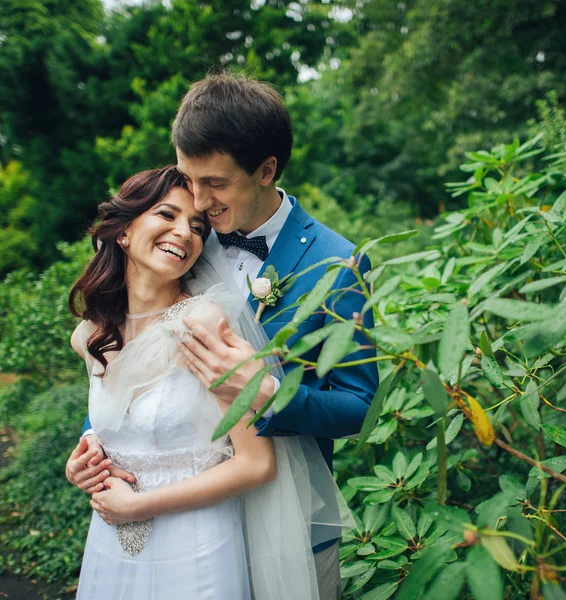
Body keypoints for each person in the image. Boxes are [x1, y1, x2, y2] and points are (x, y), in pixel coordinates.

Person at [67, 73, 379, 599]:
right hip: (180, 522)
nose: (199, 200)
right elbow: (136, 359)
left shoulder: (337, 262)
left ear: (266, 170)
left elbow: (359, 406)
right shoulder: (184, 238)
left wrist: (273, 395)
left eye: (214, 183)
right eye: (189, 178)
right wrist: (96, 442)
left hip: (288, 523)